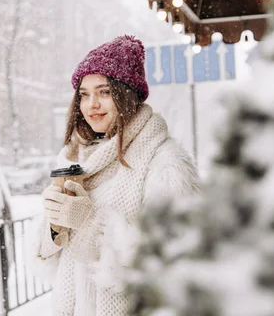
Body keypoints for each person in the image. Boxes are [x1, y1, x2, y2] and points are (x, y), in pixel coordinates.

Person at [32, 35, 200, 316]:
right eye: (84, 94)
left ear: (127, 94)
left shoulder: (165, 164)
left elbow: (172, 269)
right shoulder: (75, 157)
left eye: (104, 92)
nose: (91, 104)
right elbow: (49, 256)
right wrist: (54, 224)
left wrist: (88, 222)